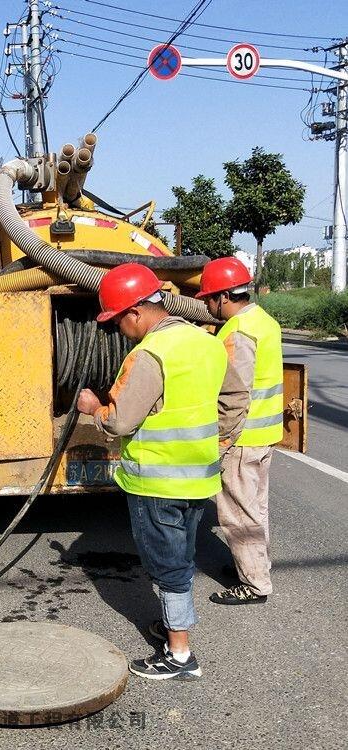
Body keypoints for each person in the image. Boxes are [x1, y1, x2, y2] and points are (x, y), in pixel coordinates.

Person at [77, 263, 248, 680]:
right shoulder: (206, 343)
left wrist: (92, 409)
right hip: (197, 479)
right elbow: (236, 400)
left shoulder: (149, 355)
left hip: (156, 481)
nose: (119, 330)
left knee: (167, 565)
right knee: (182, 556)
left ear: (135, 312)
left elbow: (121, 422)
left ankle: (180, 655)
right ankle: (174, 628)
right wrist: (219, 443)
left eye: (118, 321)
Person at [196, 257, 283, 605]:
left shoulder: (237, 333)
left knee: (237, 513)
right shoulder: (265, 321)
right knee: (256, 508)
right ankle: (257, 566)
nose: (205, 305)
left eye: (208, 299)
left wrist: (220, 441)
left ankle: (254, 584)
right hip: (265, 434)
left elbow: (236, 394)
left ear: (222, 297)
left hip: (242, 438)